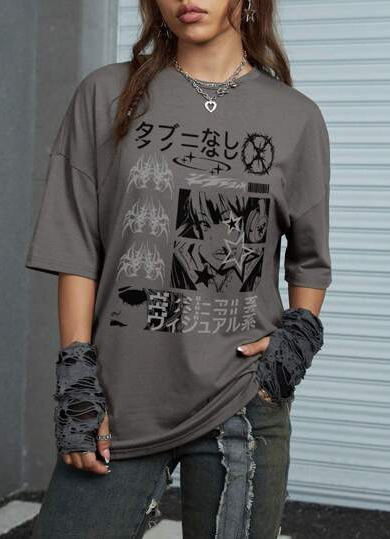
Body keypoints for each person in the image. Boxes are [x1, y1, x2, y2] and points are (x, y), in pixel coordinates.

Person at [25, 0, 332, 537]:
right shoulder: (106, 93)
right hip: (120, 398)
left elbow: (308, 259)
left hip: (241, 398)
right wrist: (77, 378)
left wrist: (293, 345)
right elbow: (74, 245)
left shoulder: (296, 116)